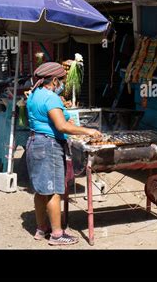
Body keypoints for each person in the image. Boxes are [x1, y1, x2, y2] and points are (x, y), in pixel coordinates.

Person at [26, 62, 101, 245]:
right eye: (62, 81)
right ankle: (57, 235)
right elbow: (61, 126)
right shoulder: (50, 98)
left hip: (35, 142)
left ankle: (41, 228)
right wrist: (88, 131)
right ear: (54, 80)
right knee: (53, 191)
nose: (63, 84)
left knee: (41, 189)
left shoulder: (34, 94)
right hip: (49, 145)